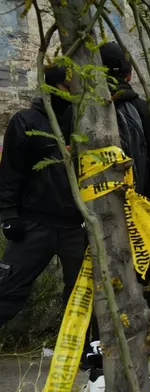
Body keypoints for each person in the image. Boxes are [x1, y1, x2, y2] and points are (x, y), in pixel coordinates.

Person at [78, 42, 150, 368]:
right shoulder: (145, 109)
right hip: (141, 214)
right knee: (146, 279)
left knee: (97, 281)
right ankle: (130, 349)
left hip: (93, 214)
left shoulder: (82, 108)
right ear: (129, 71)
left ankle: (95, 353)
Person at [0, 66, 86, 327]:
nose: (72, 93)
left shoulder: (82, 122)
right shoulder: (26, 121)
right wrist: (8, 215)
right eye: (66, 87)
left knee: (81, 296)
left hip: (75, 226)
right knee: (8, 289)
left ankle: (84, 354)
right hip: (33, 225)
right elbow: (10, 172)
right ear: (52, 87)